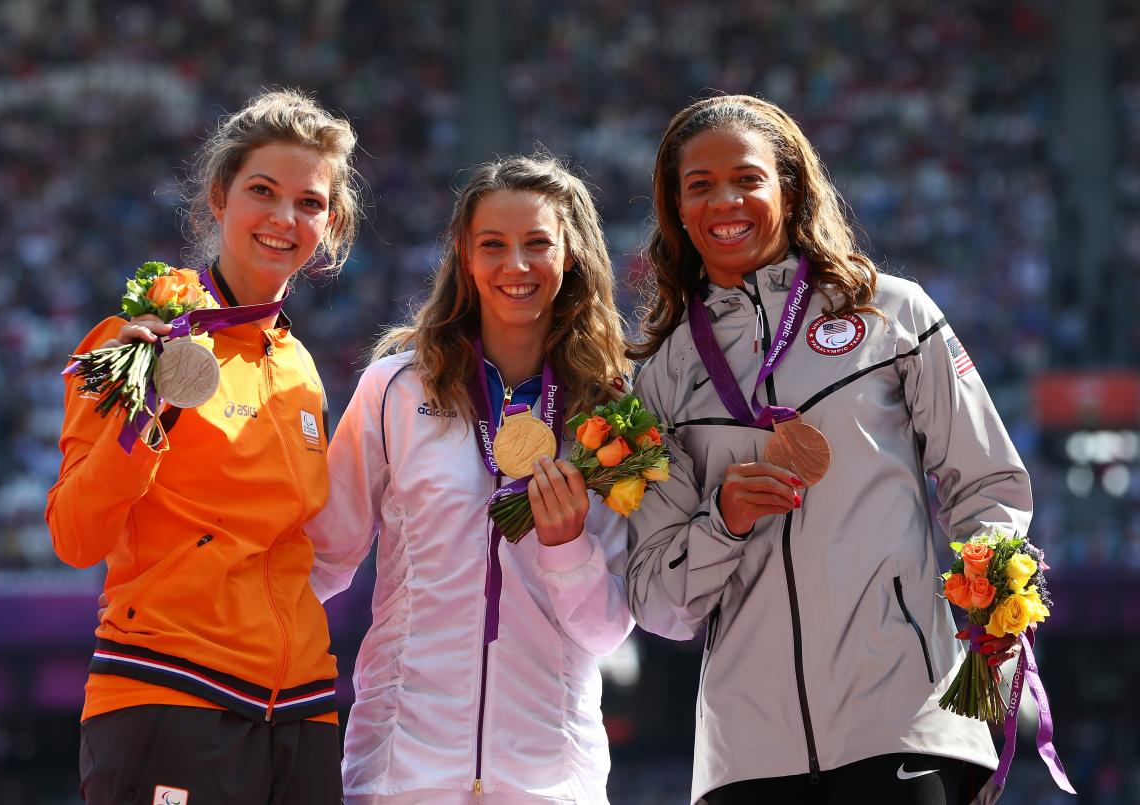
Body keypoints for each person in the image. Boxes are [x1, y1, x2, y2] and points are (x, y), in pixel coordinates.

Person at [624, 94, 1028, 805]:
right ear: (676, 209)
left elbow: (988, 482)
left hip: (904, 721)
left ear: (789, 184)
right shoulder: (659, 375)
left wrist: (990, 620)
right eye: (700, 184)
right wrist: (724, 521)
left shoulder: (891, 314)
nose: (727, 199)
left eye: (748, 177)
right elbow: (660, 602)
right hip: (746, 754)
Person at [46, 88, 359, 804]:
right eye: (262, 191)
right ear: (218, 198)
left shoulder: (301, 367)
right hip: (172, 689)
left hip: (302, 706)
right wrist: (148, 411)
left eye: (310, 203)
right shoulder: (139, 340)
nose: (284, 218)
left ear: (330, 224)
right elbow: (74, 533)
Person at [305, 154, 634, 804]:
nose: (516, 265)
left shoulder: (612, 411)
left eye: (537, 243)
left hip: (551, 779)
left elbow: (607, 630)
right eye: (494, 245)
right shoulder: (394, 390)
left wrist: (568, 546)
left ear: (569, 253)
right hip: (401, 771)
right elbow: (320, 559)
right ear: (464, 252)